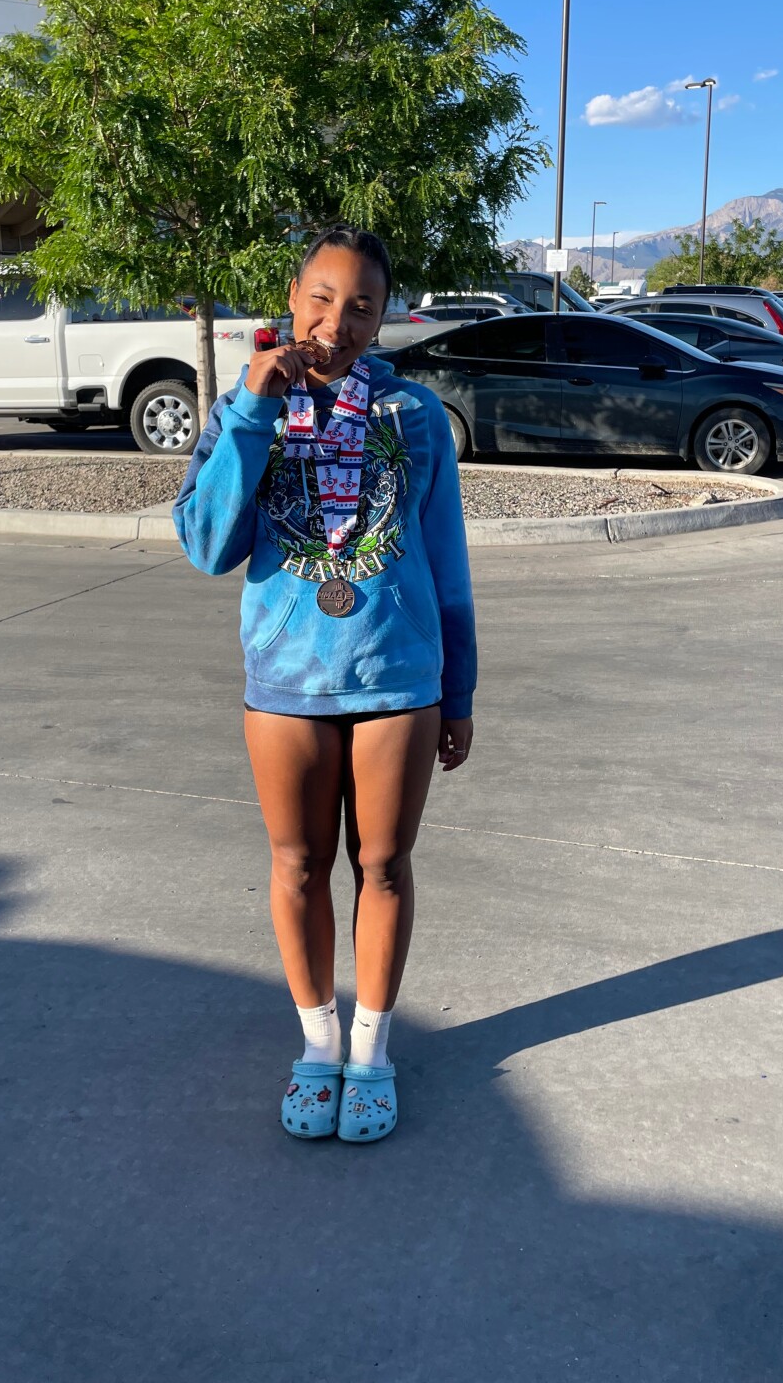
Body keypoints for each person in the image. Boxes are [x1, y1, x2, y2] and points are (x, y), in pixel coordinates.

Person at [173, 224, 476, 1143]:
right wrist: (253, 410)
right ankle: (318, 1045)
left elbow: (448, 563)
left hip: (398, 677)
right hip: (287, 679)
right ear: (292, 297)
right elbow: (207, 547)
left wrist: (459, 691)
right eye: (321, 298)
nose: (336, 323)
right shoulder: (242, 408)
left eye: (361, 307)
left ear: (382, 320)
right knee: (297, 865)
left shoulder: (414, 416)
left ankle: (372, 1053)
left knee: (382, 866)